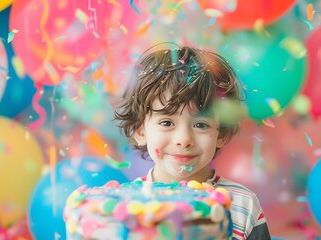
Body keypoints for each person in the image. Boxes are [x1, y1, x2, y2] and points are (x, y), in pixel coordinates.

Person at [113, 43, 271, 240]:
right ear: (140, 130)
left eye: (200, 125)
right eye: (167, 122)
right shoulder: (125, 206)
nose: (184, 140)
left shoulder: (242, 204)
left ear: (220, 133)